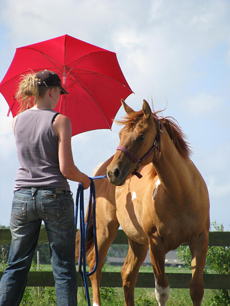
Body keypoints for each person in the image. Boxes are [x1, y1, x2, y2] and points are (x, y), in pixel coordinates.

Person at [0, 70, 91, 306]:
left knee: (16, 265)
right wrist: (85, 180)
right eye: (60, 92)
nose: (60, 96)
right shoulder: (60, 120)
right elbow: (67, 169)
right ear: (52, 91)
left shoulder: (17, 120)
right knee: (63, 267)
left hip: (22, 197)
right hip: (55, 196)